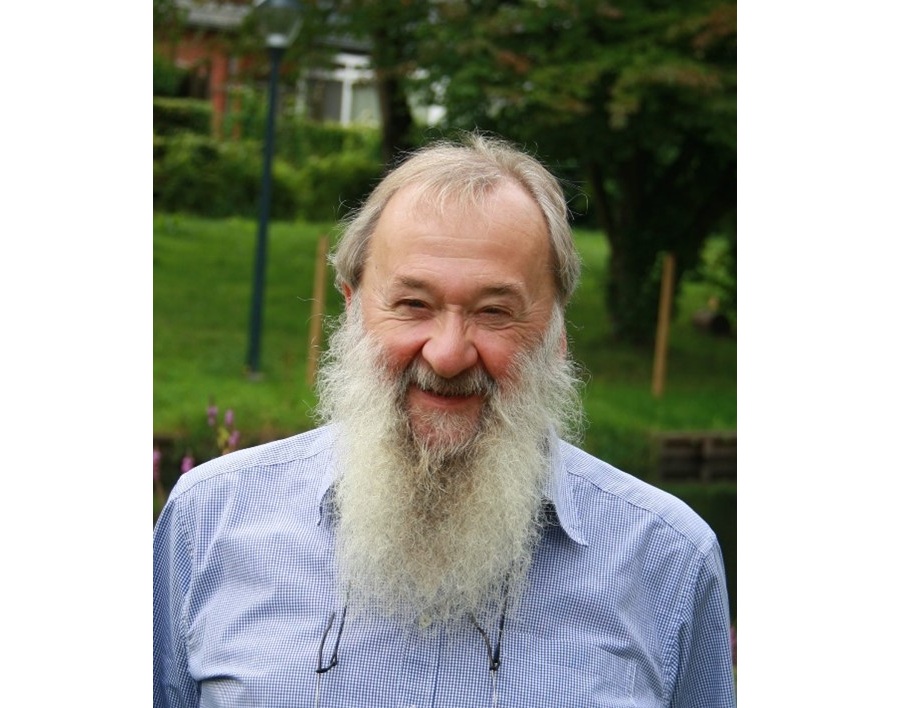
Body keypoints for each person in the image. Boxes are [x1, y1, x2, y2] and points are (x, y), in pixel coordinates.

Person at [153, 133, 736, 707]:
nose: (448, 354)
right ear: (353, 309)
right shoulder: (208, 521)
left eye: (495, 312)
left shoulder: (668, 561)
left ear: (556, 333)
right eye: (413, 305)